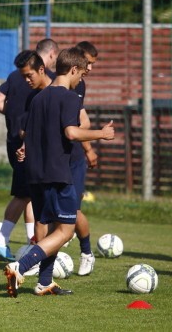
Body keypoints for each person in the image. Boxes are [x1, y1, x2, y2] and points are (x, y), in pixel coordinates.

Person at [5, 47, 114, 297]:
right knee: (65, 230)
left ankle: (44, 282)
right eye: (81, 75)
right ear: (73, 69)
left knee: (50, 226)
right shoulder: (69, 97)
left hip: (35, 173)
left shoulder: (38, 97)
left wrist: (24, 150)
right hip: (57, 173)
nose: (80, 81)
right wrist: (101, 134)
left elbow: (29, 134)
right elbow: (71, 133)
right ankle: (19, 266)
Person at [0, 39, 59, 261]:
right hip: (28, 148)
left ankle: (32, 243)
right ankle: (3, 240)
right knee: (25, 194)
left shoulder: (24, 81)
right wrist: (24, 136)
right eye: (25, 76)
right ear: (49, 57)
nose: (26, 80)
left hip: (23, 144)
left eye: (28, 76)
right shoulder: (37, 89)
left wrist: (15, 122)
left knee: (30, 196)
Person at [71, 41, 100, 276]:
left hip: (72, 156)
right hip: (54, 156)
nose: (89, 69)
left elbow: (80, 123)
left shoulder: (80, 84)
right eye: (88, 63)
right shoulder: (59, 80)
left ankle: (87, 253)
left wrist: (88, 149)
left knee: (73, 209)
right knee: (46, 208)